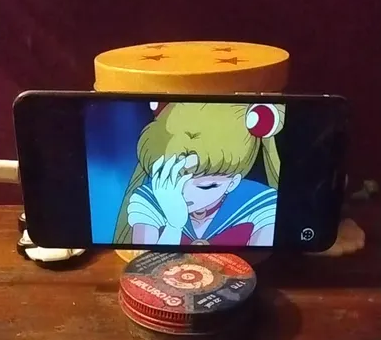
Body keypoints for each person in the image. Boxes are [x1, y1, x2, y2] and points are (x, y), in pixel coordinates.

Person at [114, 101, 285, 247]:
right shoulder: (150, 199)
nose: (184, 193)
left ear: (233, 183)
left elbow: (265, 262)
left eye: (205, 186)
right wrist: (174, 225)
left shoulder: (261, 204)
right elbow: (142, 263)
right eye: (173, 177)